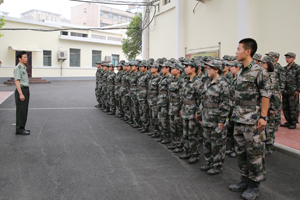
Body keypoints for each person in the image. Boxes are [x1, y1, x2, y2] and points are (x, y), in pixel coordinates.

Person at [229, 38, 271, 200]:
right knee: (240, 152)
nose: (236, 52)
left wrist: (263, 117)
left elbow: (266, 94)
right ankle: (244, 179)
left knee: (254, 153)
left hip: (253, 119)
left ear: (248, 51)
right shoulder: (241, 70)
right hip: (239, 118)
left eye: (238, 49)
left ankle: (254, 185)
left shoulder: (259, 71)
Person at [198, 59, 230, 175]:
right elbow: (203, 100)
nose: (207, 70)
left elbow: (225, 103)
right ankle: (210, 162)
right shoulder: (208, 82)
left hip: (216, 118)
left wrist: (222, 120)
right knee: (207, 142)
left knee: (217, 143)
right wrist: (201, 115)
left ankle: (217, 165)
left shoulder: (223, 84)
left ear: (217, 70)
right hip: (207, 117)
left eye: (210, 69)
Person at [179, 61, 202, 164]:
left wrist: (198, 112)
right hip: (185, 110)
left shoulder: (198, 82)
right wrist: (181, 108)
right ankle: (187, 151)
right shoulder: (185, 81)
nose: (185, 69)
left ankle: (194, 154)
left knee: (193, 134)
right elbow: (183, 97)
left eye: (187, 67)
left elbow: (200, 99)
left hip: (193, 111)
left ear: (193, 69)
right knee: (186, 133)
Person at [260, 56, 281, 154]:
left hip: (270, 106)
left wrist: (273, 107)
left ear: (268, 65)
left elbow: (275, 93)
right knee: (263, 127)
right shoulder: (262, 75)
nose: (262, 65)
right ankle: (263, 145)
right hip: (263, 106)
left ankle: (269, 146)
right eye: (261, 63)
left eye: (264, 63)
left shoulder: (272, 76)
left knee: (270, 127)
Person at [280, 52, 300, 129]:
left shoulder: (297, 68)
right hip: (285, 91)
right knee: (285, 107)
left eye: (289, 58)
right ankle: (288, 121)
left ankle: (293, 123)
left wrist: (298, 90)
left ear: (294, 58)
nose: (287, 59)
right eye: (286, 58)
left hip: (293, 91)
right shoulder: (284, 69)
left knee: (293, 108)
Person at [168, 62, 185, 153]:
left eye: (173, 68)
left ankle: (180, 144)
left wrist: (181, 108)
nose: (171, 70)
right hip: (172, 106)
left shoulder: (181, 81)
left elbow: (182, 96)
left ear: (178, 70)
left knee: (178, 127)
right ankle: (175, 143)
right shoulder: (173, 80)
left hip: (177, 106)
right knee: (173, 125)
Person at [156, 61, 173, 144]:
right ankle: (162, 135)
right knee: (160, 119)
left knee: (164, 120)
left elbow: (170, 92)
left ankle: (166, 137)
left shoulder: (170, 78)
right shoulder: (163, 77)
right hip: (161, 101)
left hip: (165, 102)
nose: (162, 69)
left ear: (168, 68)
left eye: (163, 68)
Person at [14, 51, 30, 135]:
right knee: (21, 111)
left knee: (24, 110)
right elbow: (17, 81)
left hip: (26, 90)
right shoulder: (18, 68)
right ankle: (19, 129)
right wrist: (20, 93)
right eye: (24, 57)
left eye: (26, 57)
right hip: (22, 90)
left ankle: (22, 128)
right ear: (19, 59)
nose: (26, 58)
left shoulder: (23, 67)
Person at [147, 62, 162, 138]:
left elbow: (160, 91)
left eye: (152, 67)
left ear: (156, 69)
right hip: (151, 100)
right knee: (152, 117)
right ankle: (154, 131)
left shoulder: (159, 78)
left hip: (156, 101)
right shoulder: (152, 77)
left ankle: (158, 132)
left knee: (156, 117)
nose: (151, 69)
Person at [137, 60, 151, 133]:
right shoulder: (142, 74)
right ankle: (143, 125)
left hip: (144, 96)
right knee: (141, 111)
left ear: (145, 67)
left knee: (144, 111)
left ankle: (146, 126)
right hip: (140, 95)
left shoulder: (148, 75)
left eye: (141, 67)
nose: (140, 68)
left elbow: (149, 87)